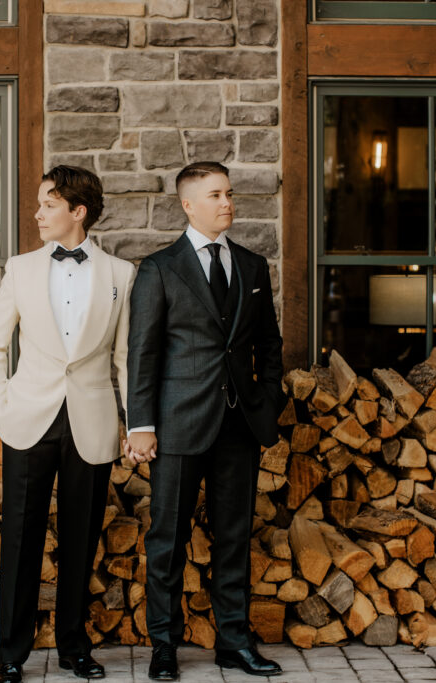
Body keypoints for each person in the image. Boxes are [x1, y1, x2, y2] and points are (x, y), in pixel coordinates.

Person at [124, 162, 286, 681]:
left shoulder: (253, 266)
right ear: (188, 204)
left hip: (239, 425)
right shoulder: (159, 268)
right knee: (167, 540)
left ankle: (234, 645)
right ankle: (164, 648)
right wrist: (141, 423)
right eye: (215, 195)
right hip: (176, 425)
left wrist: (268, 398)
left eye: (230, 193)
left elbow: (269, 345)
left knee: (234, 536)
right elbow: (142, 353)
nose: (228, 203)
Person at [0, 166, 135, 682]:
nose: (38, 213)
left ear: (78, 211)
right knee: (20, 541)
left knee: (80, 541)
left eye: (48, 204)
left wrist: (135, 423)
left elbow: (125, 360)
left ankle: (74, 648)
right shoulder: (20, 268)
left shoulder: (120, 274)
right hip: (28, 418)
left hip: (91, 423)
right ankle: (10, 656)